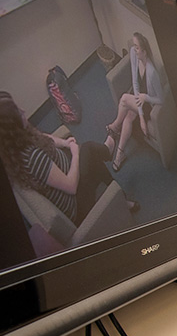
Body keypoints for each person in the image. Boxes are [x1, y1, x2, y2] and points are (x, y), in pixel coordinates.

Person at [0, 90, 134, 231]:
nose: (23, 111)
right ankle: (107, 151)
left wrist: (65, 144)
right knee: (88, 150)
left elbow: (43, 137)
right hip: (76, 205)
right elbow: (71, 186)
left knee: (91, 157)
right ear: (13, 126)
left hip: (65, 169)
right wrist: (75, 153)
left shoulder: (17, 142)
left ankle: (120, 196)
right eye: (18, 112)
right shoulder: (32, 157)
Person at [104, 31, 163, 170]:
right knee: (129, 117)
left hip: (149, 102)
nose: (134, 50)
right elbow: (135, 82)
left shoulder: (152, 72)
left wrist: (145, 97)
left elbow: (161, 99)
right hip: (137, 97)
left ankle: (114, 127)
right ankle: (120, 154)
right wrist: (141, 118)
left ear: (144, 51)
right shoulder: (133, 54)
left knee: (124, 99)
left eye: (137, 47)